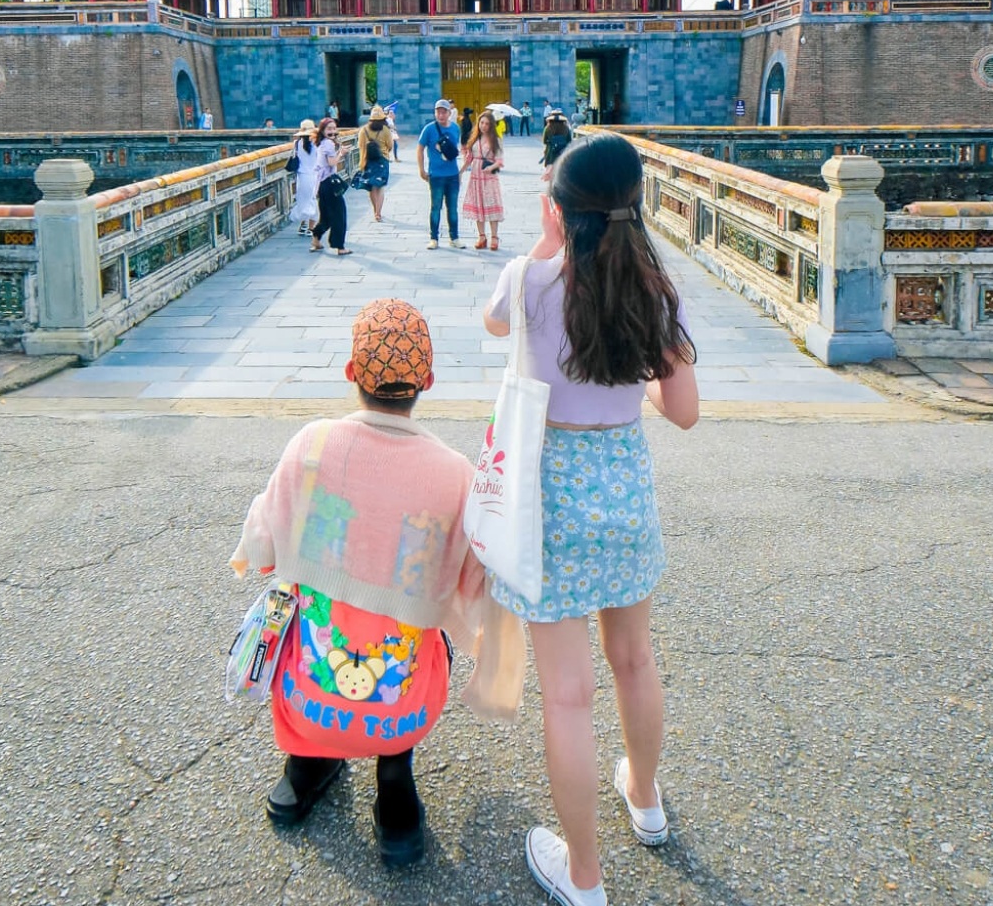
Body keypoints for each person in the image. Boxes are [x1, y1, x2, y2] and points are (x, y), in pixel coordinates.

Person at [482, 134, 700, 906]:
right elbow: (684, 412)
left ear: (558, 210)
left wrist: (545, 248)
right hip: (624, 490)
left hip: (550, 499)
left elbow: (495, 326)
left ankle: (584, 876)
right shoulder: (655, 292)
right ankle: (645, 798)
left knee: (568, 695)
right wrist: (631, 385)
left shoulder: (529, 279)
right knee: (634, 660)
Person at [231, 299, 483, 868]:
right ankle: (395, 787)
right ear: (428, 381)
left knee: (310, 616)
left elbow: (262, 544)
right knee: (427, 635)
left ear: (350, 372)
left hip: (309, 701)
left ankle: (305, 767)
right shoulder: (454, 473)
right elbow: (473, 588)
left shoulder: (313, 445)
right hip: (401, 711)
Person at [417, 99, 462, 249]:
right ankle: (434, 238)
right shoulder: (429, 129)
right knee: (436, 207)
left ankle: (454, 237)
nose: (441, 115)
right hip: (436, 175)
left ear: (449, 113)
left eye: (444, 112)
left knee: (453, 208)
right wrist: (421, 169)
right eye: (438, 112)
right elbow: (420, 149)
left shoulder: (455, 128)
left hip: (452, 174)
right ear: (435, 113)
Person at [460, 109, 505, 250]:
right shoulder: (475, 139)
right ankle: (481, 236)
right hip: (476, 177)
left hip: (489, 177)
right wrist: (460, 172)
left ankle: (494, 237)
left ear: (491, 125)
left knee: (491, 205)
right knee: (477, 206)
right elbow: (469, 159)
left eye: (487, 123)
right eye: (482, 123)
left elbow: (500, 161)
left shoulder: (496, 140)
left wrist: (491, 168)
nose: (484, 126)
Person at [312, 118, 350, 255]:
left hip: (321, 184)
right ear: (322, 130)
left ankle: (316, 239)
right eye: (329, 129)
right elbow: (332, 162)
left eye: (334, 128)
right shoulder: (328, 144)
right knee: (339, 214)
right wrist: (341, 153)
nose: (332, 131)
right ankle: (339, 246)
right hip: (329, 183)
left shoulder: (321, 143)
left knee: (326, 216)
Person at [355, 105, 396, 222]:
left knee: (371, 187)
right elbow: (390, 146)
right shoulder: (385, 130)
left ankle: (375, 211)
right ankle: (378, 213)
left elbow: (360, 146)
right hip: (382, 160)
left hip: (367, 160)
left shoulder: (363, 130)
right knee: (380, 187)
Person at [290, 119, 324, 238]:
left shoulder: (296, 144)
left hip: (301, 177)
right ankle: (311, 227)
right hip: (314, 176)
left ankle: (303, 224)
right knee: (313, 200)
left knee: (303, 201)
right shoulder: (317, 144)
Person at [539, 110, 574, 182]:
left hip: (550, 152)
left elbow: (544, 141)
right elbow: (569, 141)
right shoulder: (566, 128)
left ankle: (551, 183)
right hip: (562, 151)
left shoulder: (548, 128)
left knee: (550, 170)